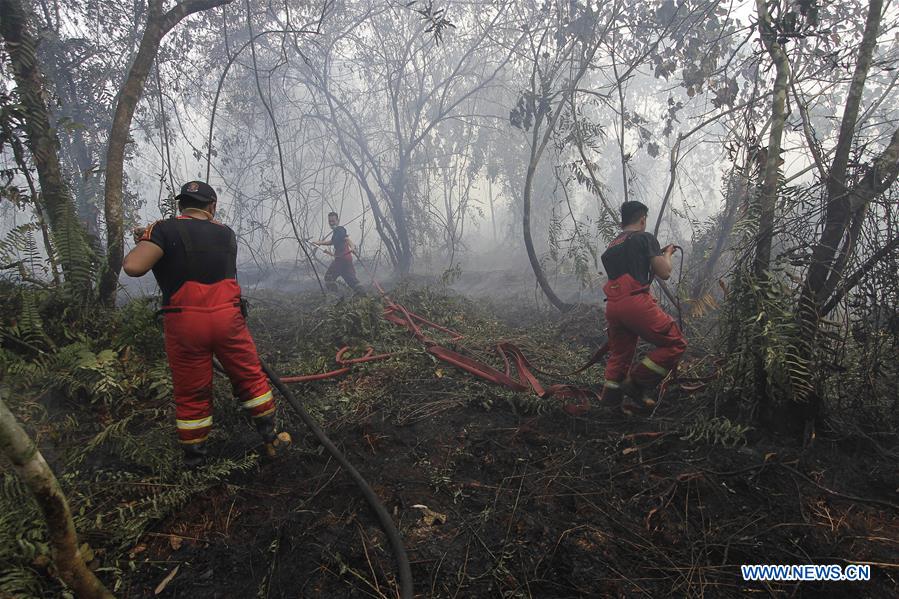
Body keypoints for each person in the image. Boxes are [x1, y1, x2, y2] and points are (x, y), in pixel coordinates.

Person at [123, 181, 284, 467]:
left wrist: (148, 238)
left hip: (186, 323)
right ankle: (270, 438)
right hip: (228, 319)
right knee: (249, 377)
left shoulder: (162, 229)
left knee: (192, 391)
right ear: (212, 206)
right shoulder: (227, 234)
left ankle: (196, 461)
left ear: (181, 205)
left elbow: (134, 267)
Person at [599, 201, 687, 415]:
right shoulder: (645, 238)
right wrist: (666, 254)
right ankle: (637, 384)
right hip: (636, 303)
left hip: (613, 306)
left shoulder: (612, 246)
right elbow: (664, 272)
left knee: (620, 354)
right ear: (642, 219)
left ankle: (610, 405)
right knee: (675, 343)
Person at [312, 211, 366, 295]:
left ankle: (335, 297)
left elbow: (347, 239)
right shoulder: (336, 232)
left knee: (328, 277)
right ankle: (363, 295)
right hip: (346, 259)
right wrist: (319, 243)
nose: (331, 223)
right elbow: (332, 242)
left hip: (342, 259)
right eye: (330, 221)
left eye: (333, 221)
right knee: (350, 279)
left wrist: (352, 247)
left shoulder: (340, 229)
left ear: (338, 221)